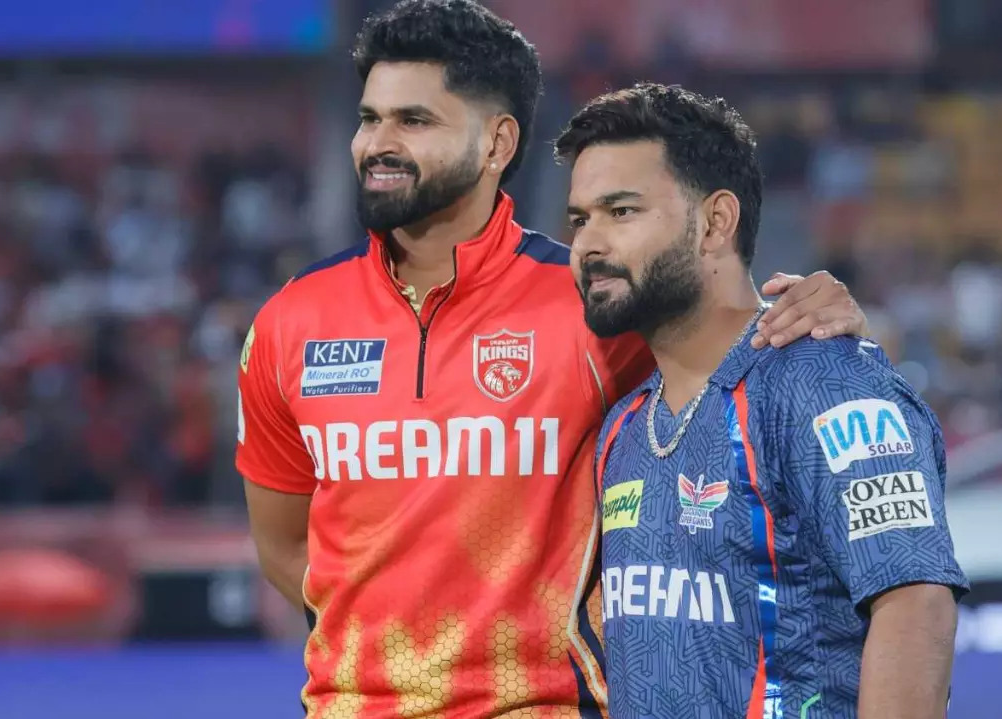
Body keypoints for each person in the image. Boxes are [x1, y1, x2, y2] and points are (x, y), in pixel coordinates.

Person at [236, 1, 867, 716]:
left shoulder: (593, 302)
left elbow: (745, 349)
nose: (377, 143)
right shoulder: (290, 321)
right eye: (369, 118)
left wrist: (815, 306)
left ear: (497, 142)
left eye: (413, 121)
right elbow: (285, 549)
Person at [560, 83, 968, 719]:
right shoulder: (625, 427)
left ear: (716, 222)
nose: (589, 243)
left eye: (621, 211)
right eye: (580, 219)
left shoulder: (823, 383)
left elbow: (916, 605)